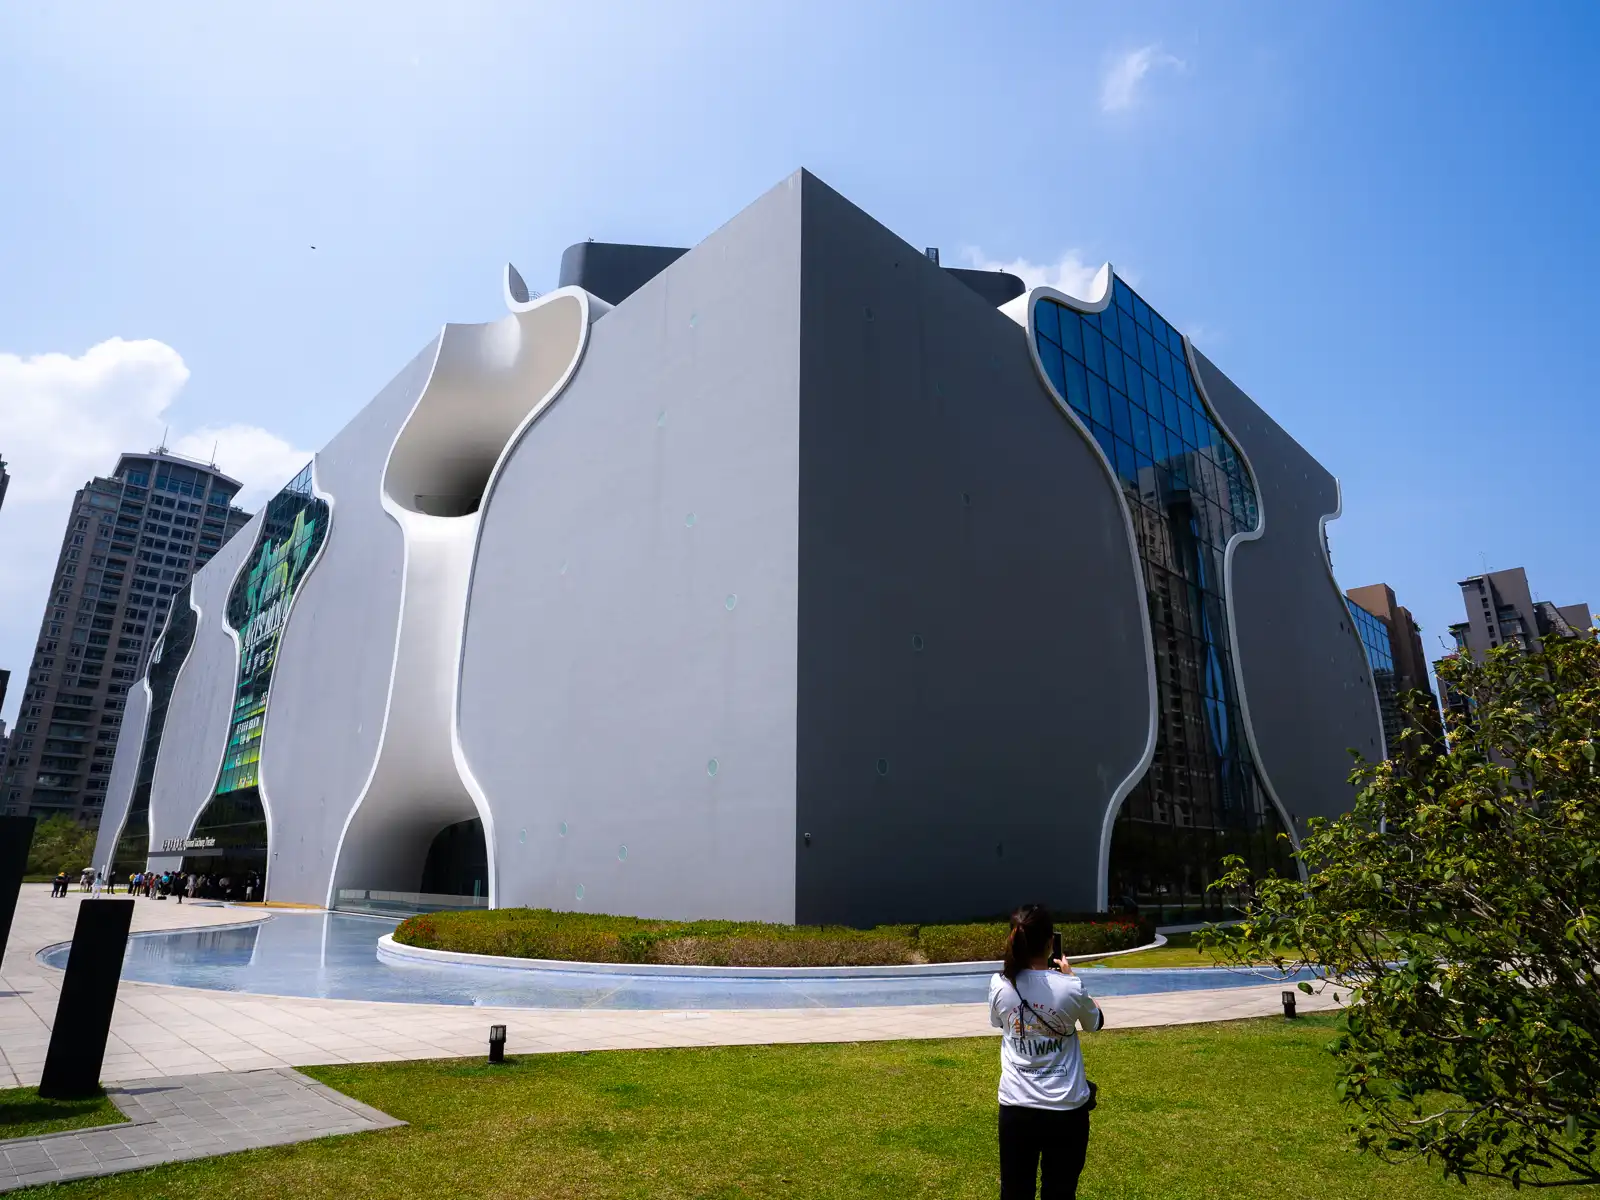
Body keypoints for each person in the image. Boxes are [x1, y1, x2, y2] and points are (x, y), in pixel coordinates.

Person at [989, 904, 1104, 1199]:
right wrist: (1070, 977)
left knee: (1015, 1192)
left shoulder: (1000, 984)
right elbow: (1095, 1023)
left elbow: (997, 1021)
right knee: (1060, 1191)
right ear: (1050, 942)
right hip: (1065, 1108)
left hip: (1016, 1107)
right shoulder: (1070, 986)